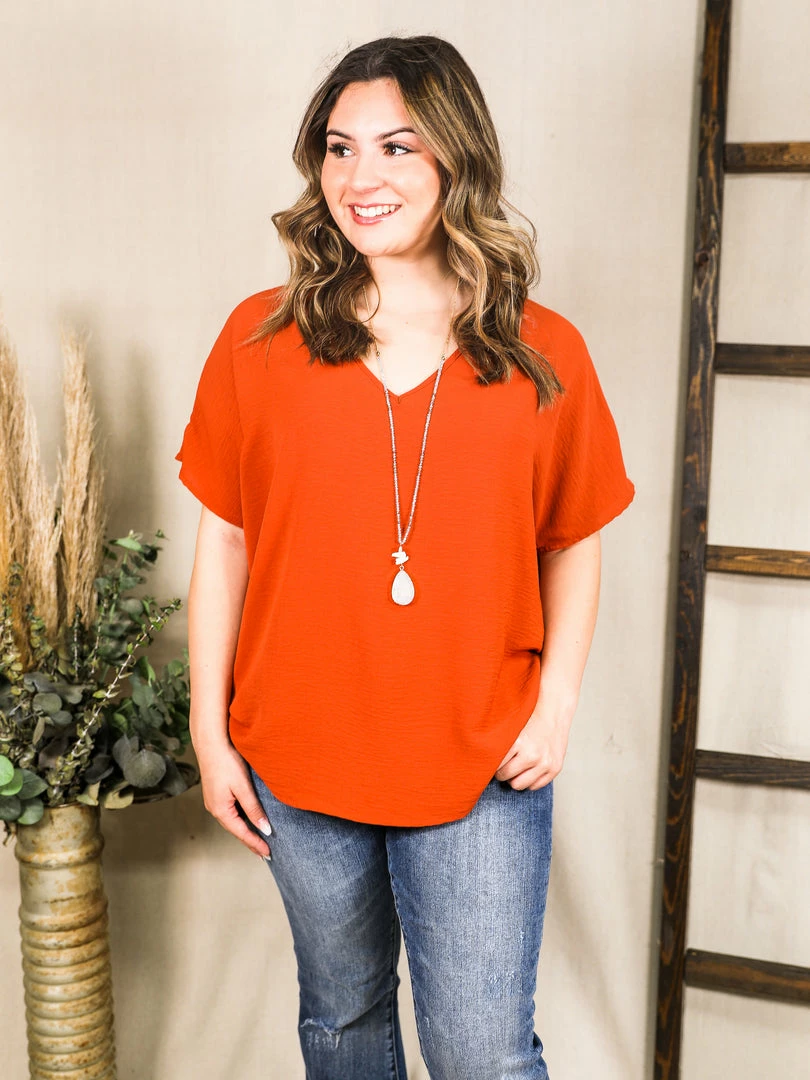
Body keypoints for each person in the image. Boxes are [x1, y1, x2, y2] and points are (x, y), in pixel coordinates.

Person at [176, 34, 634, 1080]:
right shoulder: (257, 340)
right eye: (339, 149)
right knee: (341, 1024)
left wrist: (556, 705)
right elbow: (226, 538)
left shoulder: (544, 352)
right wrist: (209, 732)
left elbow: (573, 538)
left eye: (396, 147)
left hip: (479, 756)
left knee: (483, 1054)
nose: (359, 178)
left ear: (456, 159)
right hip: (297, 754)